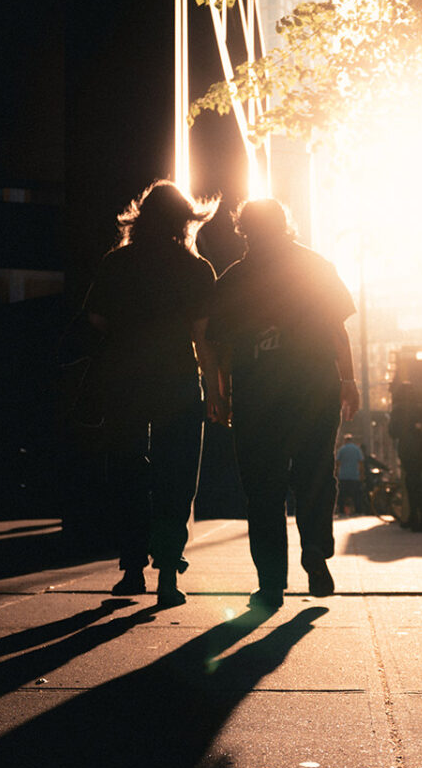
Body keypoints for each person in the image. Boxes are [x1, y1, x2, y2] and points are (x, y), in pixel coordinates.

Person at [203, 197, 359, 614]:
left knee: (263, 490)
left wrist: (221, 394)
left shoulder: (235, 278)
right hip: (314, 391)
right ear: (285, 224)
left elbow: (221, 347)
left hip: (258, 398)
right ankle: (316, 555)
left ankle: (271, 583)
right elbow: (337, 332)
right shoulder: (315, 266)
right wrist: (349, 381)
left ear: (244, 229)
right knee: (315, 475)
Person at [84, 180, 221, 607]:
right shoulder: (198, 270)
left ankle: (130, 569)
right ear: (185, 221)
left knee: (127, 471)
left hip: (125, 380)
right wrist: (217, 391)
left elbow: (97, 323)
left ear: (140, 219)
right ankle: (167, 574)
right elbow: (203, 338)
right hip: (178, 381)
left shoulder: (117, 263)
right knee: (176, 478)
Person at [390, 381, 422, 532]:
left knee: (412, 484)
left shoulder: (398, 410)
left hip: (407, 450)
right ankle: (417, 518)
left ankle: (420, 520)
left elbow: (392, 432)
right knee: (416, 482)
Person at [336, 433, 365, 515]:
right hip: (354, 475)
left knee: (342, 494)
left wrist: (336, 473)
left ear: (345, 440)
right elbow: (361, 463)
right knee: (356, 494)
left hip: (343, 475)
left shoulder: (342, 449)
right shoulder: (357, 449)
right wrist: (361, 474)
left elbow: (337, 462)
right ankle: (358, 511)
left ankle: (341, 511)